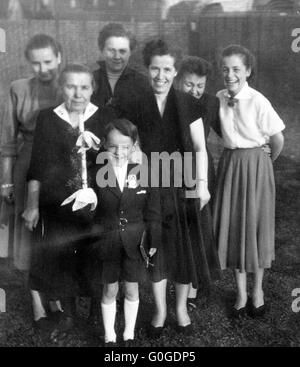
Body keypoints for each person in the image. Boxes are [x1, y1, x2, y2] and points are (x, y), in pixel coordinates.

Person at [124, 39, 220, 336]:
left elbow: (201, 148)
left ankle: (179, 309)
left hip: (183, 185)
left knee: (182, 251)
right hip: (151, 186)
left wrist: (202, 186)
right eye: (155, 68)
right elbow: (130, 145)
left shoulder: (188, 102)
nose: (161, 75)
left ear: (175, 71)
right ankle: (160, 310)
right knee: (156, 249)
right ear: (147, 68)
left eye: (167, 69)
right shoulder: (137, 103)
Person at [22, 63, 115, 332]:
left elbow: (116, 155)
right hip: (58, 203)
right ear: (61, 88)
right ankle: (68, 315)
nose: (77, 93)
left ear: (92, 89)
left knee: (96, 255)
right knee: (63, 256)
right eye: (71, 86)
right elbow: (38, 164)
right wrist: (32, 205)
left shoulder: (104, 116)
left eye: (84, 87)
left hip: (98, 202)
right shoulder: (48, 118)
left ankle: (97, 315)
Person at [213, 44, 285, 318]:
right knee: (235, 225)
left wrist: (265, 160)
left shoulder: (258, 100)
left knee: (256, 225)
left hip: (256, 167)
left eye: (236, 69)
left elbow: (277, 139)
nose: (230, 74)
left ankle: (258, 291)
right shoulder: (219, 97)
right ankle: (241, 291)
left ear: (248, 71)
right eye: (225, 69)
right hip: (231, 165)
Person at [88, 118, 161, 346]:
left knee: (132, 288)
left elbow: (154, 210)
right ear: (103, 146)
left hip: (134, 242)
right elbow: (87, 208)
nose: (119, 152)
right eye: (112, 146)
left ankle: (128, 333)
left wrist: (154, 239)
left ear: (133, 146)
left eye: (125, 147)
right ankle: (110, 335)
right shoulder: (95, 173)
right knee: (109, 289)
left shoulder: (143, 172)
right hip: (107, 242)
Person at [0, 34, 62, 271]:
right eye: (36, 63)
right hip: (27, 160)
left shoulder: (70, 86)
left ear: (59, 58)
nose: (43, 68)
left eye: (48, 61)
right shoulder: (18, 88)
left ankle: (56, 276)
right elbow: (8, 141)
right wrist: (6, 182)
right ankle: (31, 276)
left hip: (61, 159)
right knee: (27, 217)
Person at [176, 55, 222, 311]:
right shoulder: (171, 102)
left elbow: (226, 131)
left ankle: (193, 287)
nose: (194, 91)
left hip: (201, 170)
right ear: (179, 80)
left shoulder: (211, 103)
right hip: (171, 168)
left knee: (197, 227)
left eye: (200, 86)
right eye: (189, 84)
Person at [91, 22, 150, 117]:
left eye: (122, 51)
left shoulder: (142, 83)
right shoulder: (90, 80)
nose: (117, 56)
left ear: (130, 52)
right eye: (111, 50)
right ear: (102, 50)